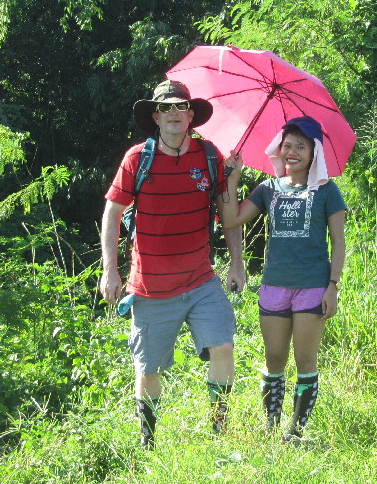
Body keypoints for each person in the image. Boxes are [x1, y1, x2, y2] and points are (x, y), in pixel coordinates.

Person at [99, 80, 246, 449]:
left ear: (191, 115)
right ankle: (148, 444)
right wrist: (109, 270)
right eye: (166, 108)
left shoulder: (210, 156)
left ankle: (219, 433)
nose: (174, 113)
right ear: (155, 116)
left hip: (200, 281)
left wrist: (237, 263)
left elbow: (229, 217)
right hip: (151, 288)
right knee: (149, 370)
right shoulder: (138, 159)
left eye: (181, 107)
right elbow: (112, 213)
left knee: (223, 346)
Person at [222, 115, 347, 441]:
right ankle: (271, 426)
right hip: (274, 285)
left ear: (313, 152)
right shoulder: (268, 188)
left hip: (312, 287)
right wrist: (232, 179)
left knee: (305, 360)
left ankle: (296, 432)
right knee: (274, 358)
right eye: (287, 145)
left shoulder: (327, 190)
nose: (292, 152)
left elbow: (338, 242)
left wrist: (333, 287)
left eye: (300, 147)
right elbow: (232, 219)